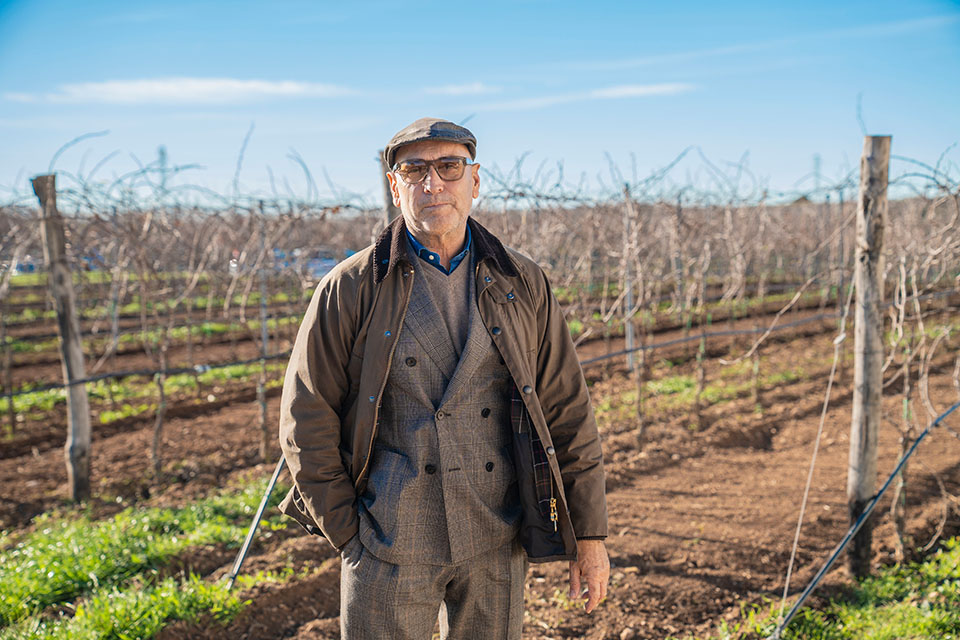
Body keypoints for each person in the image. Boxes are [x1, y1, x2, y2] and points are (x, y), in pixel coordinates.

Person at [278, 117, 609, 639]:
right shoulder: (352, 286)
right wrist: (350, 533)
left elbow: (566, 407)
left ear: (474, 182)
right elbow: (306, 416)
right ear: (395, 186)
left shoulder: (522, 281)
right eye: (414, 170)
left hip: (497, 533)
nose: (432, 184)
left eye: (449, 167)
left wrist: (588, 534)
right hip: (388, 538)